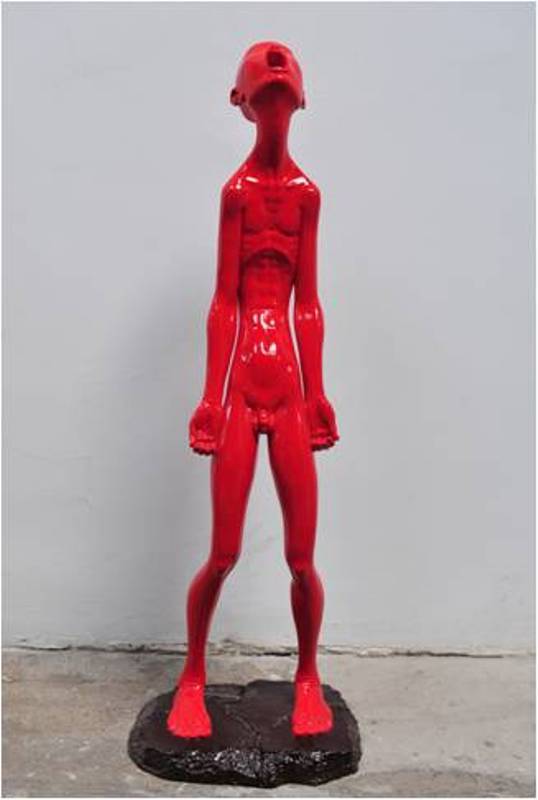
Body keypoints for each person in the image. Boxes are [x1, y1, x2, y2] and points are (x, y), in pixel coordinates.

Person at [168, 41, 339, 738]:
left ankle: (308, 677)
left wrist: (318, 391)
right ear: (241, 102)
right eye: (262, 77)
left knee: (301, 558)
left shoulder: (306, 197)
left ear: (299, 100)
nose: (275, 70)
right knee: (224, 553)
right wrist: (211, 398)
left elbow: (308, 304)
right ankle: (192, 677)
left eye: (283, 73)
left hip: (289, 391)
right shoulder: (236, 194)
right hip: (242, 388)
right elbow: (225, 302)